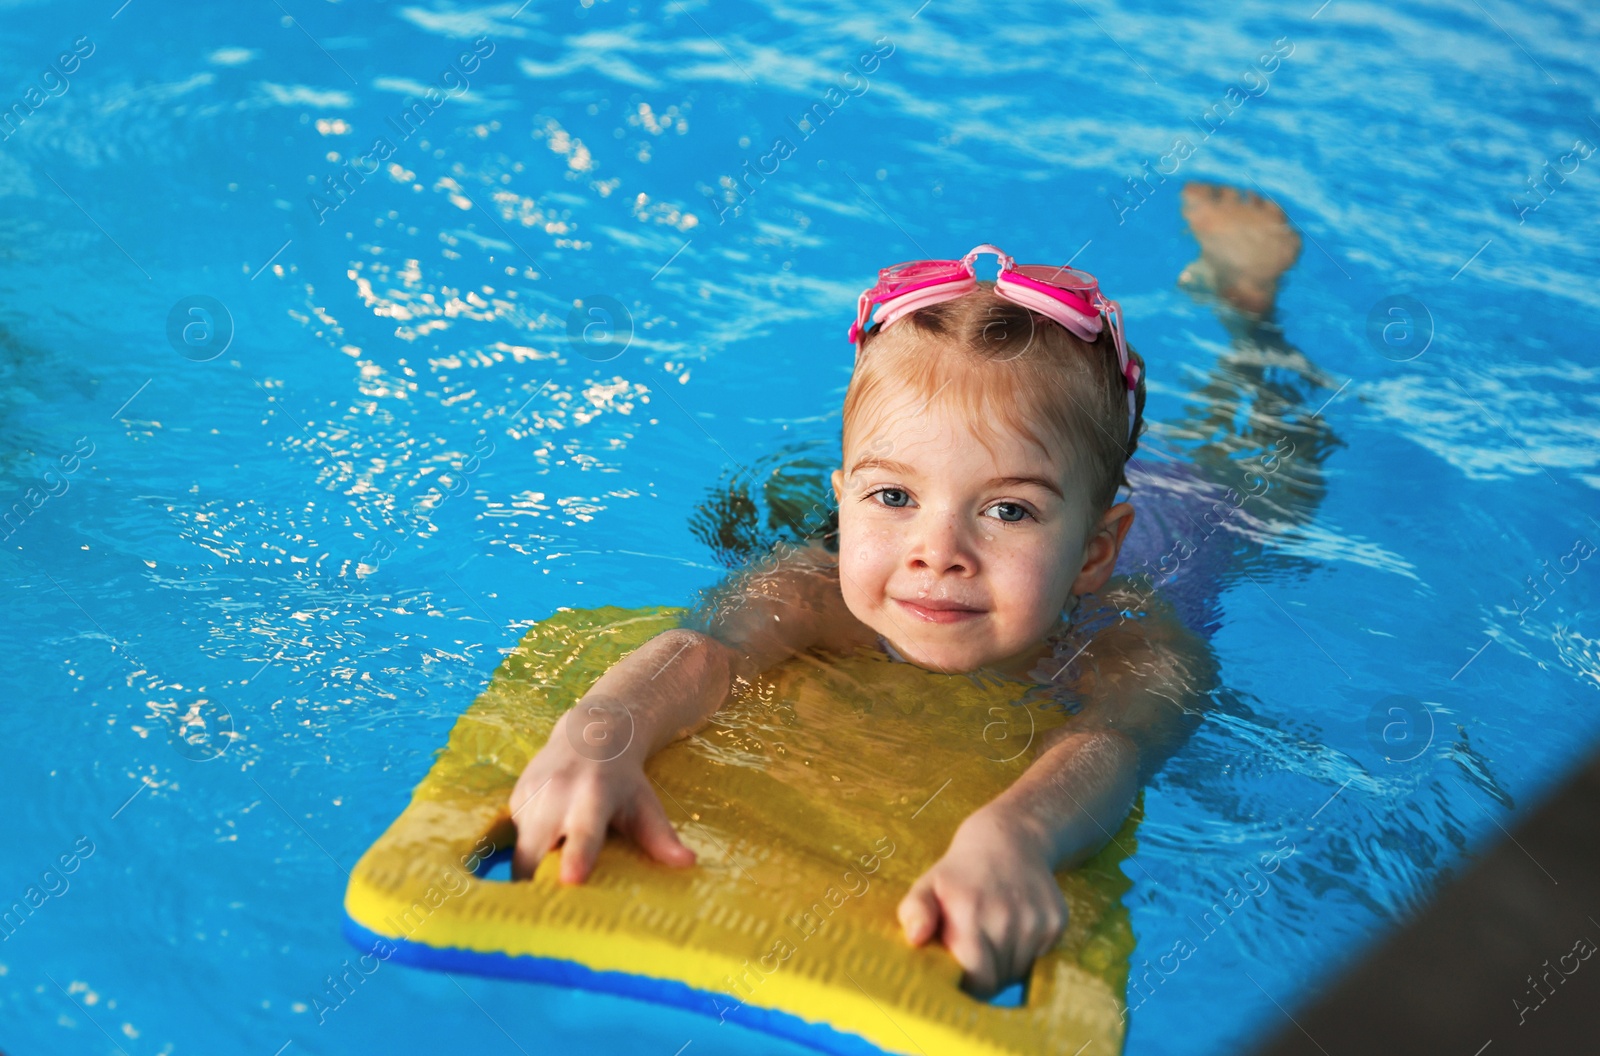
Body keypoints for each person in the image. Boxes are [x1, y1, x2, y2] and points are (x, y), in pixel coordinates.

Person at [506, 182, 1328, 998]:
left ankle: (1250, 304)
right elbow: (707, 652)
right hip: (1063, 468)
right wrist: (595, 737)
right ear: (842, 501)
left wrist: (1014, 836)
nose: (939, 554)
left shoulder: (1138, 646)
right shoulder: (813, 587)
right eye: (893, 497)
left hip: (1204, 508)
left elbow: (1114, 746)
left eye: (1008, 511)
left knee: (1278, 453)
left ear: (1093, 552)